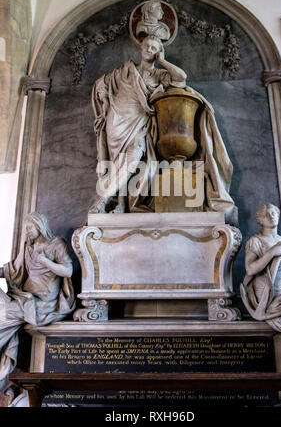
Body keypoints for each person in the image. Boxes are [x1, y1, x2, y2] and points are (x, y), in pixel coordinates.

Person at [90, 34, 235, 218]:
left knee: (132, 159)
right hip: (117, 120)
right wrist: (103, 95)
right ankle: (120, 205)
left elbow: (181, 77)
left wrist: (163, 61)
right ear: (140, 48)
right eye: (146, 46)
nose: (148, 50)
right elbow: (101, 84)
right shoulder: (124, 70)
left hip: (140, 121)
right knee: (119, 163)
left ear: (159, 51)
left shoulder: (160, 75)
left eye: (153, 48)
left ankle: (102, 200)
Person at [0, 212, 75, 390]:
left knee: (4, 316)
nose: (26, 233)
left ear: (40, 226)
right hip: (24, 296)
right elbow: (13, 270)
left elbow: (68, 271)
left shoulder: (56, 244)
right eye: (25, 230)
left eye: (29, 229)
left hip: (42, 302)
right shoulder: (29, 247)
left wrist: (46, 262)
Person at [240, 204, 281, 332]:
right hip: (272, 297)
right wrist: (271, 252)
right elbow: (250, 269)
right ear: (260, 221)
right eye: (265, 215)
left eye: (273, 213)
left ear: (278, 216)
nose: (271, 216)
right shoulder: (256, 241)